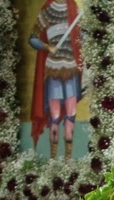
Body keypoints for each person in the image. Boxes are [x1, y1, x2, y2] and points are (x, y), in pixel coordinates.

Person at [29, 0, 82, 159]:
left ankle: (68, 159)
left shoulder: (74, 8)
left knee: (71, 113)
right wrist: (46, 47)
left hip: (71, 69)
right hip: (53, 69)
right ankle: (53, 159)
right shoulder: (47, 10)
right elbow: (32, 39)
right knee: (55, 115)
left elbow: (81, 35)